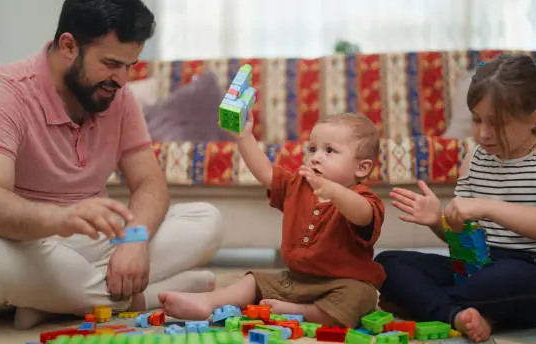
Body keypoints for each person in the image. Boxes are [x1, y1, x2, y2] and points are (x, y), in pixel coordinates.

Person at [0, 0, 222, 330]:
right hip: (24, 245)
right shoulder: (2, 93)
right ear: (69, 46)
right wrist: (62, 219)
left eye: (130, 65)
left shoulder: (117, 96)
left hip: (92, 245)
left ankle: (55, 304)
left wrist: (135, 240)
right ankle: (141, 298)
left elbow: (149, 182)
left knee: (207, 219)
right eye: (111, 63)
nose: (121, 79)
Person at [375, 54, 536, 343]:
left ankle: (425, 303)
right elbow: (461, 243)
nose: (484, 134)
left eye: (497, 123)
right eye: (476, 120)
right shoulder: (473, 159)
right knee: (386, 264)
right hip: (481, 266)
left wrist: (487, 206)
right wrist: (439, 221)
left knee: (499, 281)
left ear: (534, 117)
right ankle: (459, 315)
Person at [158, 112, 386, 328]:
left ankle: (300, 311)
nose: (316, 157)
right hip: (296, 280)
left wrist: (334, 192)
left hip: (343, 284)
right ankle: (209, 301)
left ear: (361, 167)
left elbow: (362, 214)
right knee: (253, 280)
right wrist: (243, 136)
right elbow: (266, 172)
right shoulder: (299, 185)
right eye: (313, 149)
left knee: (361, 297)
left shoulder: (362, 199)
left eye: (329, 151)